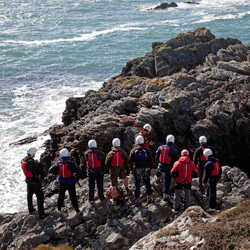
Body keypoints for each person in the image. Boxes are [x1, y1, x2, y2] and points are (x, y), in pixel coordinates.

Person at [49, 148, 81, 214]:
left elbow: (52, 170)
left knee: (61, 196)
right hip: (70, 182)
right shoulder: (71, 162)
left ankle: (59, 208)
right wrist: (76, 176)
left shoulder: (59, 163)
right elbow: (79, 170)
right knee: (73, 196)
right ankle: (77, 210)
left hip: (62, 182)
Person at [21, 147, 47, 219]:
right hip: (35, 182)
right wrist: (38, 164)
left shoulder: (23, 160)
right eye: (34, 153)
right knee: (40, 197)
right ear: (32, 154)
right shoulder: (32, 162)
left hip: (28, 181)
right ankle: (41, 215)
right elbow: (39, 171)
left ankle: (31, 209)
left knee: (29, 195)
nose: (35, 154)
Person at [105, 138, 130, 203]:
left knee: (113, 184)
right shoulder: (123, 151)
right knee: (124, 178)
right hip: (121, 168)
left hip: (113, 169)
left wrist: (109, 169)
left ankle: (115, 198)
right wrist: (127, 168)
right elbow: (127, 160)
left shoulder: (111, 153)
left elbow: (106, 162)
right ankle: (127, 189)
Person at [129, 135, 153, 203]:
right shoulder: (147, 149)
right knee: (147, 183)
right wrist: (150, 168)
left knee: (137, 184)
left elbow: (130, 161)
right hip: (146, 168)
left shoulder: (133, 150)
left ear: (136, 141)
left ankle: (137, 198)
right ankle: (150, 197)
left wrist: (131, 169)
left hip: (137, 169)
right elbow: (151, 160)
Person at [155, 134, 178, 201]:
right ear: (173, 140)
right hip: (168, 167)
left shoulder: (160, 147)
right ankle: (165, 195)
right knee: (167, 181)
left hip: (160, 166)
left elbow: (156, 156)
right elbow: (175, 161)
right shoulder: (174, 150)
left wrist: (157, 163)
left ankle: (157, 177)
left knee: (159, 170)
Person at [83, 139, 105, 205]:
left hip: (90, 171)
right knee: (100, 185)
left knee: (91, 186)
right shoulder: (100, 152)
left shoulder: (86, 153)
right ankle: (101, 198)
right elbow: (102, 160)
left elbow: (85, 161)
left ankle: (91, 199)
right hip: (99, 171)